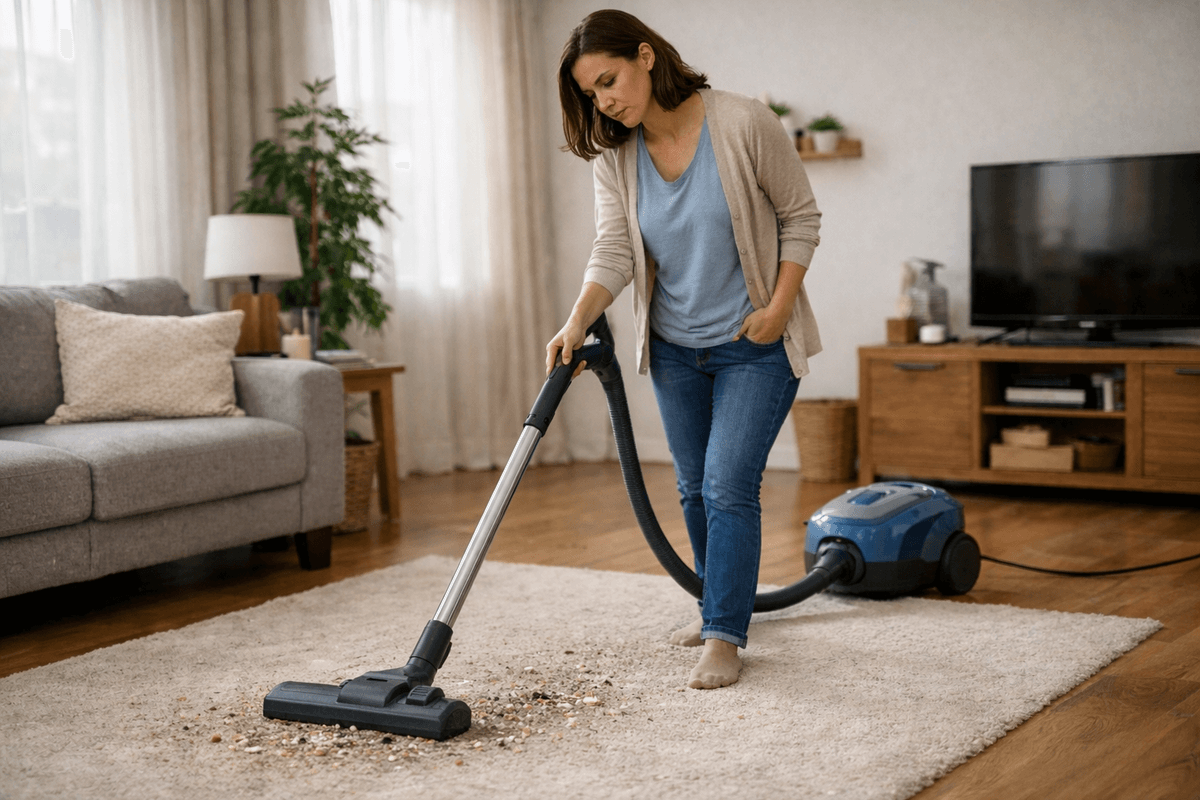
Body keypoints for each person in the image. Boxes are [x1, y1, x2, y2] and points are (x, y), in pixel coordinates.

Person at [547, 9, 822, 690]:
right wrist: (577, 320)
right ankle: (713, 609)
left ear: (645, 56)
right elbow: (614, 247)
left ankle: (726, 636)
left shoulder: (742, 122)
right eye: (591, 94)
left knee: (730, 484)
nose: (604, 100)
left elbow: (800, 217)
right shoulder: (616, 155)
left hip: (753, 344)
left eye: (608, 80)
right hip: (674, 349)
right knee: (695, 488)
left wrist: (778, 307)